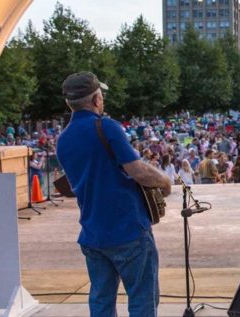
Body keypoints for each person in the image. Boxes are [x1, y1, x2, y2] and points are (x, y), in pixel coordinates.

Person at [56, 71, 171, 316]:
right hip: (127, 229)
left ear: (69, 102)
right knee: (142, 300)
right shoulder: (106, 127)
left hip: (92, 234)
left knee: (101, 302)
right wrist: (164, 181)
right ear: (97, 99)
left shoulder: (63, 140)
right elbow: (137, 170)